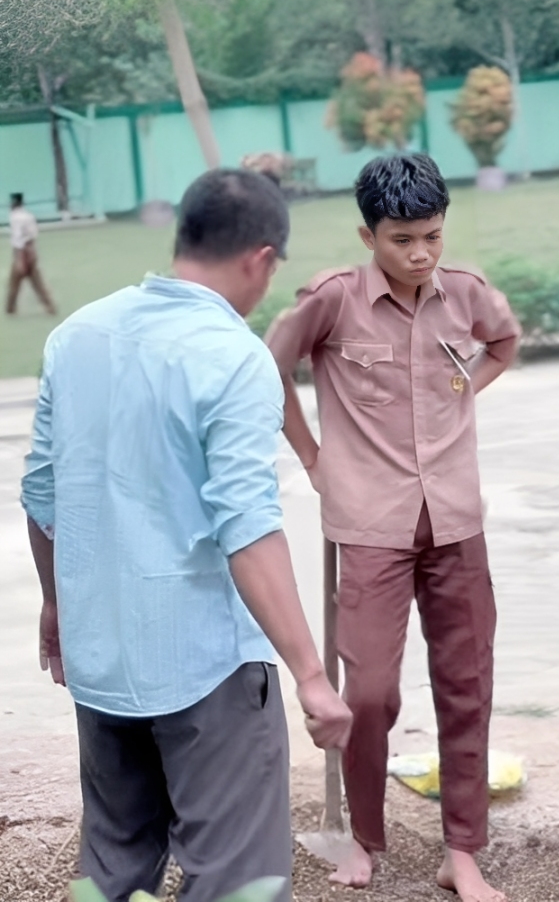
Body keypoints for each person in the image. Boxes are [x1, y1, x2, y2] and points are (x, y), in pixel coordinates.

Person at [20, 169, 352, 902]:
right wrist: (310, 674)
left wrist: (57, 604)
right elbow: (247, 526)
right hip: (208, 667)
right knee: (237, 879)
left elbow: (41, 492)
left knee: (110, 867)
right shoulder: (233, 357)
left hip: (101, 654)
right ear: (262, 259)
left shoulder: (77, 335)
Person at [266, 153, 521, 902]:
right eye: (401, 239)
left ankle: (461, 850)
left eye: (431, 237)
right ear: (367, 234)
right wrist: (312, 456)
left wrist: (460, 390)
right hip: (368, 521)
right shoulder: (332, 301)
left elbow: (501, 342)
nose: (419, 254)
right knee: (369, 690)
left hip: (455, 519)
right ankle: (365, 837)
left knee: (467, 682)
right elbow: (266, 368)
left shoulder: (465, 292)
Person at [6, 192, 56, 315]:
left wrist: (20, 260)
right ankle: (50, 306)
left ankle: (10, 309)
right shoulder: (28, 215)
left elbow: (18, 239)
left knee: (14, 283)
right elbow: (33, 235)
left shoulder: (15, 217)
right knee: (38, 283)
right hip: (31, 250)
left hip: (22, 252)